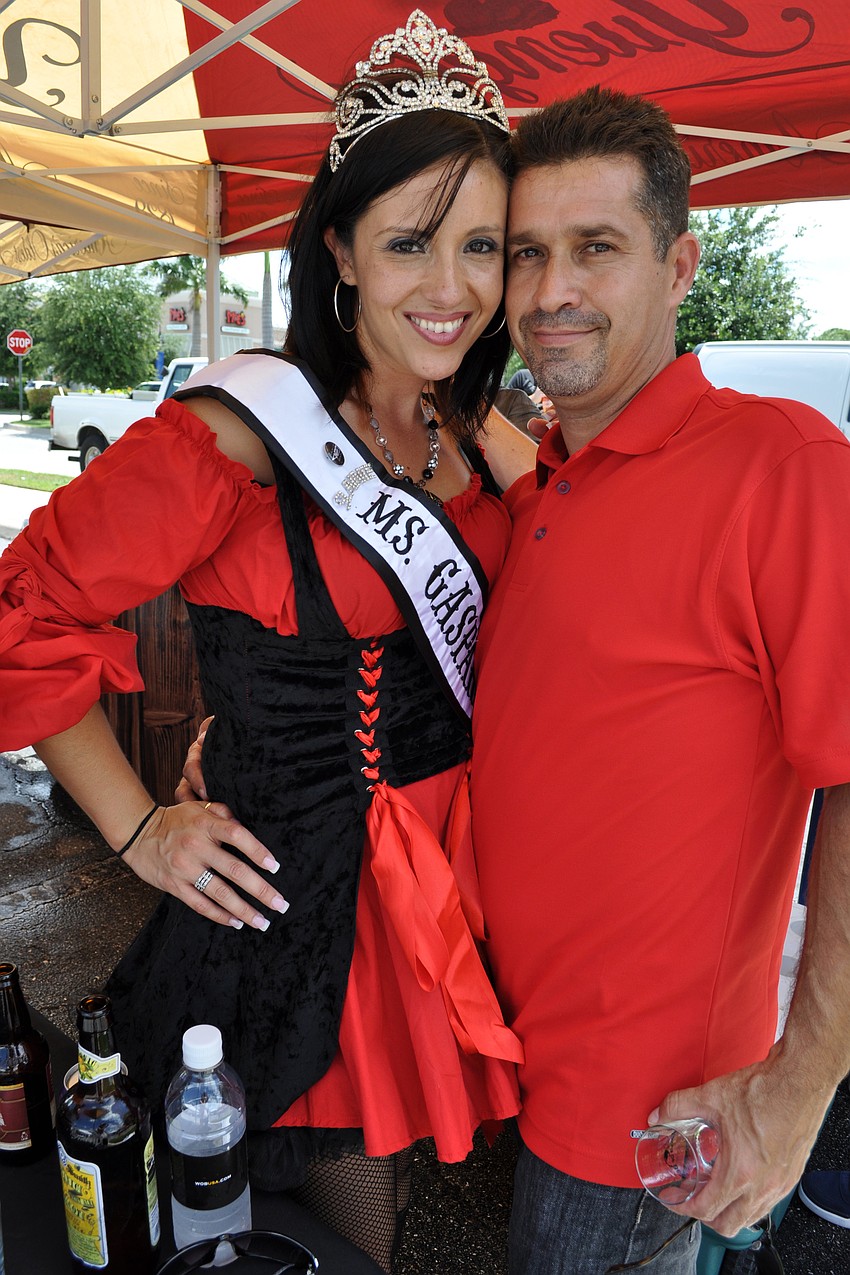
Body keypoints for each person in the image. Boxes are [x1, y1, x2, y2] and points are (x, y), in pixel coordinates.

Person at [0, 11, 535, 1270]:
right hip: (308, 896)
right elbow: (22, 614)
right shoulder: (231, 439)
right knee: (348, 1182)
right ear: (340, 250)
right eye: (409, 242)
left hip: (463, 865)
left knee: (413, 1164)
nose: (450, 287)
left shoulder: (476, 429)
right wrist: (141, 827)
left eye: (481, 247)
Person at [469, 86, 850, 1273]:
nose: (547, 294)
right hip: (505, 1058)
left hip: (646, 1108)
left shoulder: (779, 466)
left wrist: (805, 1075)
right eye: (525, 253)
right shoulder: (540, 489)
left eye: (595, 249)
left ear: (679, 264)